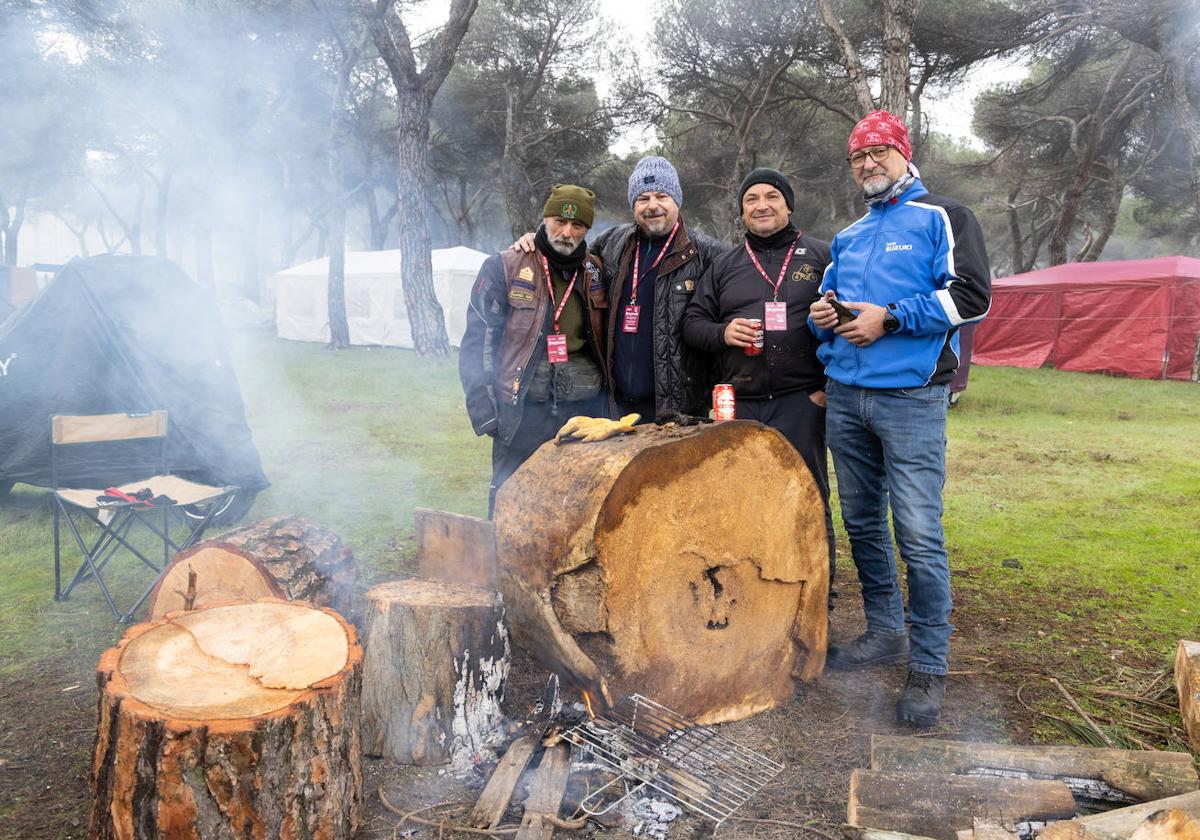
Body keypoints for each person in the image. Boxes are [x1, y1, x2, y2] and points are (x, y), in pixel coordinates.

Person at [808, 110, 991, 727]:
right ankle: (885, 632)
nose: (868, 164)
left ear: (904, 156)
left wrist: (889, 317)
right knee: (861, 523)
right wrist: (824, 317)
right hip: (847, 397)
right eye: (859, 156)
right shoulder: (851, 234)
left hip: (911, 398)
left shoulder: (944, 216)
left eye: (879, 152)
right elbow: (830, 300)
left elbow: (972, 296)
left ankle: (930, 665)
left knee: (917, 532)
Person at [681, 167, 836, 577]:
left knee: (806, 498)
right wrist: (723, 331)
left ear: (788, 205)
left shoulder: (822, 256)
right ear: (742, 212)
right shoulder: (726, 264)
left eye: (771, 196)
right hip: (742, 404)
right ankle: (749, 599)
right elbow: (692, 324)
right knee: (741, 500)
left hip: (801, 402)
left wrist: (823, 392)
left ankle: (820, 602)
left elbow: (846, 320)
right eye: (751, 199)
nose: (761, 205)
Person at [516, 157, 725, 421]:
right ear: (633, 205)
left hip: (680, 412)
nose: (652, 206)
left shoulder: (709, 254)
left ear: (677, 200)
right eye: (642, 198)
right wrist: (537, 240)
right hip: (617, 408)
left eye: (661, 196)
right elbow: (565, 258)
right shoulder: (611, 243)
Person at [459, 184, 609, 516]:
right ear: (544, 219)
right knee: (511, 504)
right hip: (522, 410)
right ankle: (499, 568)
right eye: (559, 221)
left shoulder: (596, 272)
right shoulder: (505, 265)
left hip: (584, 415)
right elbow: (478, 340)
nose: (567, 232)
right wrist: (484, 407)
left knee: (574, 507)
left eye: (578, 226)